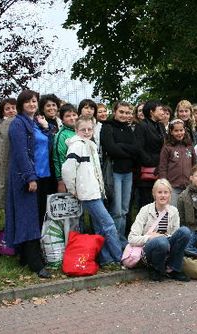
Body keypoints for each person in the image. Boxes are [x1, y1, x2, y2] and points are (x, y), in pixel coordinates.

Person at [62, 117, 122, 266]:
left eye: (90, 129)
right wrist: (72, 188)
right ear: (76, 131)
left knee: (100, 227)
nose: (87, 132)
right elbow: (68, 169)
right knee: (108, 224)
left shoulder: (90, 145)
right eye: (83, 129)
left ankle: (106, 258)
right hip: (88, 193)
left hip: (96, 191)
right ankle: (119, 257)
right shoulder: (77, 146)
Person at [5, 89, 53, 278]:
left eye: (34, 101)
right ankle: (35, 263)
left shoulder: (34, 123)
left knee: (37, 217)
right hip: (27, 179)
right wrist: (30, 177)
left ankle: (25, 256)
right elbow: (20, 153)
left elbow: (47, 144)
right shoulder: (18, 124)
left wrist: (46, 127)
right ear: (21, 105)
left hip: (42, 176)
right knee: (29, 219)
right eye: (28, 102)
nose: (32, 104)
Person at [128, 179, 191, 282]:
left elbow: (175, 237)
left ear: (170, 194)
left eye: (166, 192)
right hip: (148, 249)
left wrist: (162, 236)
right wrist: (150, 237)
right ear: (154, 194)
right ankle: (156, 269)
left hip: (167, 246)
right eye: (159, 192)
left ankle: (173, 269)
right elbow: (131, 238)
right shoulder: (145, 210)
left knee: (185, 231)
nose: (163, 195)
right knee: (161, 242)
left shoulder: (173, 211)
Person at [101, 101, 140, 247]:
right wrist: (127, 150)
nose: (124, 115)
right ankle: (113, 242)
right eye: (121, 112)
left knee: (124, 209)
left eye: (127, 112)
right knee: (116, 210)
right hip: (114, 172)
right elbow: (111, 149)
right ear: (115, 112)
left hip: (128, 173)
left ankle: (121, 239)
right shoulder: (107, 127)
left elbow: (136, 149)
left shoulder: (129, 129)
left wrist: (122, 147)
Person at [135, 100, 166, 209]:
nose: (163, 112)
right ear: (152, 111)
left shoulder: (161, 126)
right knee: (147, 204)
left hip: (159, 171)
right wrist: (151, 162)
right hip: (146, 172)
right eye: (160, 109)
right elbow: (139, 149)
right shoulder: (141, 126)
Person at [159, 119, 197, 207]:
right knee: (173, 211)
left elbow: (194, 165)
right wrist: (164, 184)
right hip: (172, 187)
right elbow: (162, 167)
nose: (179, 133)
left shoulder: (189, 146)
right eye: (176, 131)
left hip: (188, 187)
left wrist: (194, 180)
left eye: (181, 130)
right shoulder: (167, 147)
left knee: (187, 213)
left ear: (185, 130)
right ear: (171, 132)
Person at [53, 104, 79, 193]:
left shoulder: (80, 132)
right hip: (69, 179)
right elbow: (58, 158)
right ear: (62, 120)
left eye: (74, 115)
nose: (72, 118)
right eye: (68, 116)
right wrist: (60, 181)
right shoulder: (61, 135)